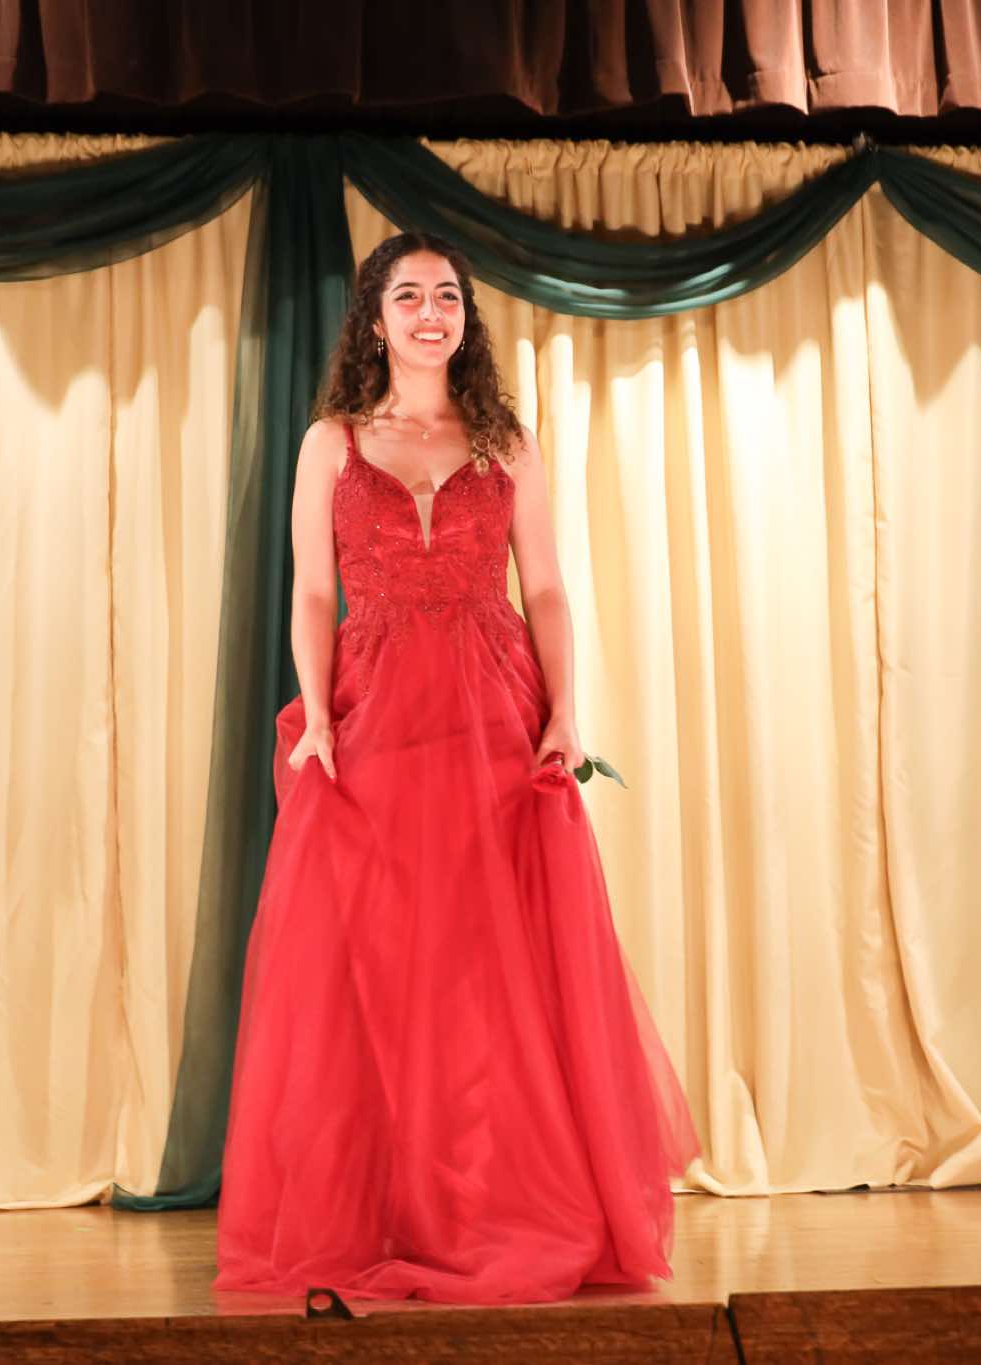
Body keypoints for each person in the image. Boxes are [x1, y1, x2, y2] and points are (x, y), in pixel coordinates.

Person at [212, 232, 701, 1305]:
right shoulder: (331, 444)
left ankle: (497, 1206)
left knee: (496, 977)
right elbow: (310, 592)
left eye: (446, 296)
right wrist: (317, 718)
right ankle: (394, 1211)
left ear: (464, 318)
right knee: (385, 974)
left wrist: (565, 711)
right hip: (376, 720)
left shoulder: (505, 441)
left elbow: (547, 588)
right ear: (374, 318)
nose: (430, 312)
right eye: (408, 296)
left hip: (491, 717)